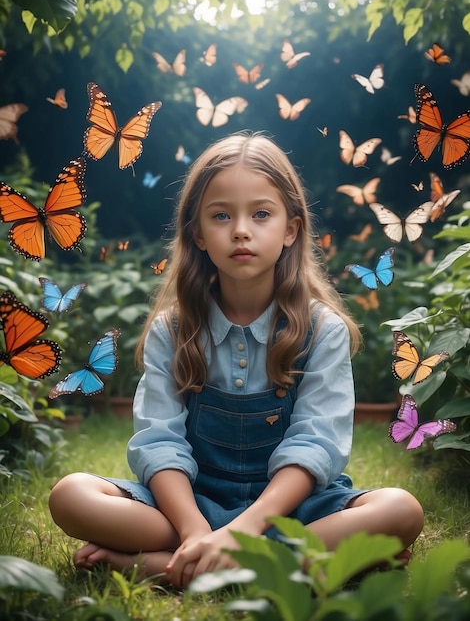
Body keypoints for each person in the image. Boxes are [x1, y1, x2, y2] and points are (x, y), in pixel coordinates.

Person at [49, 132, 424, 589]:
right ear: (198, 234)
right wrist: (197, 532)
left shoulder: (322, 330)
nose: (241, 229)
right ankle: (278, 566)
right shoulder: (173, 330)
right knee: (71, 496)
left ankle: (158, 567)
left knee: (401, 509)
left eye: (261, 214)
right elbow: (159, 443)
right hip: (191, 506)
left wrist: (242, 532)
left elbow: (316, 445)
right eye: (221, 215)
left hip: (293, 512)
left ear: (291, 229)